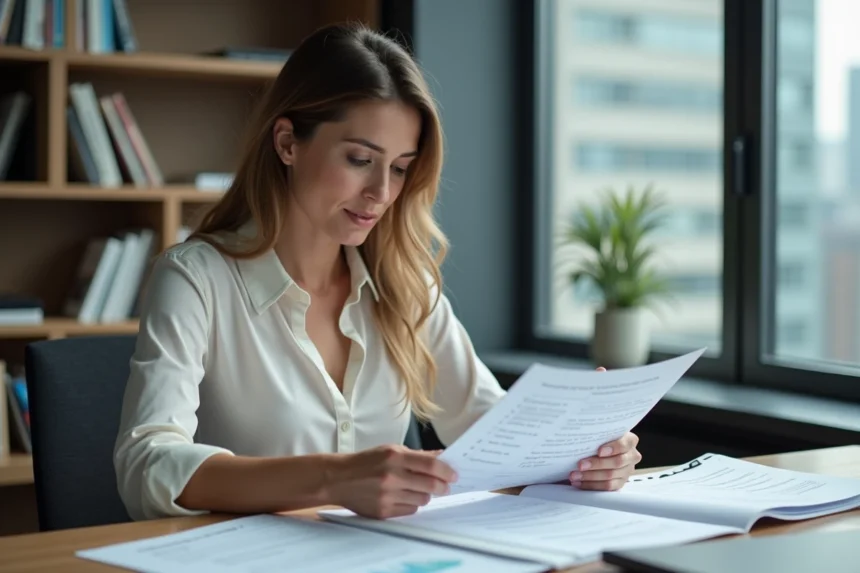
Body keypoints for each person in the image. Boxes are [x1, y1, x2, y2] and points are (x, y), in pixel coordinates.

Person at [113, 22, 642, 522]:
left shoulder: (406, 285)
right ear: (288, 143)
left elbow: (489, 427)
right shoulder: (196, 279)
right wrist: (332, 478)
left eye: (400, 168)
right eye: (360, 160)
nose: (381, 193)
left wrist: (582, 450)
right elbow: (147, 464)